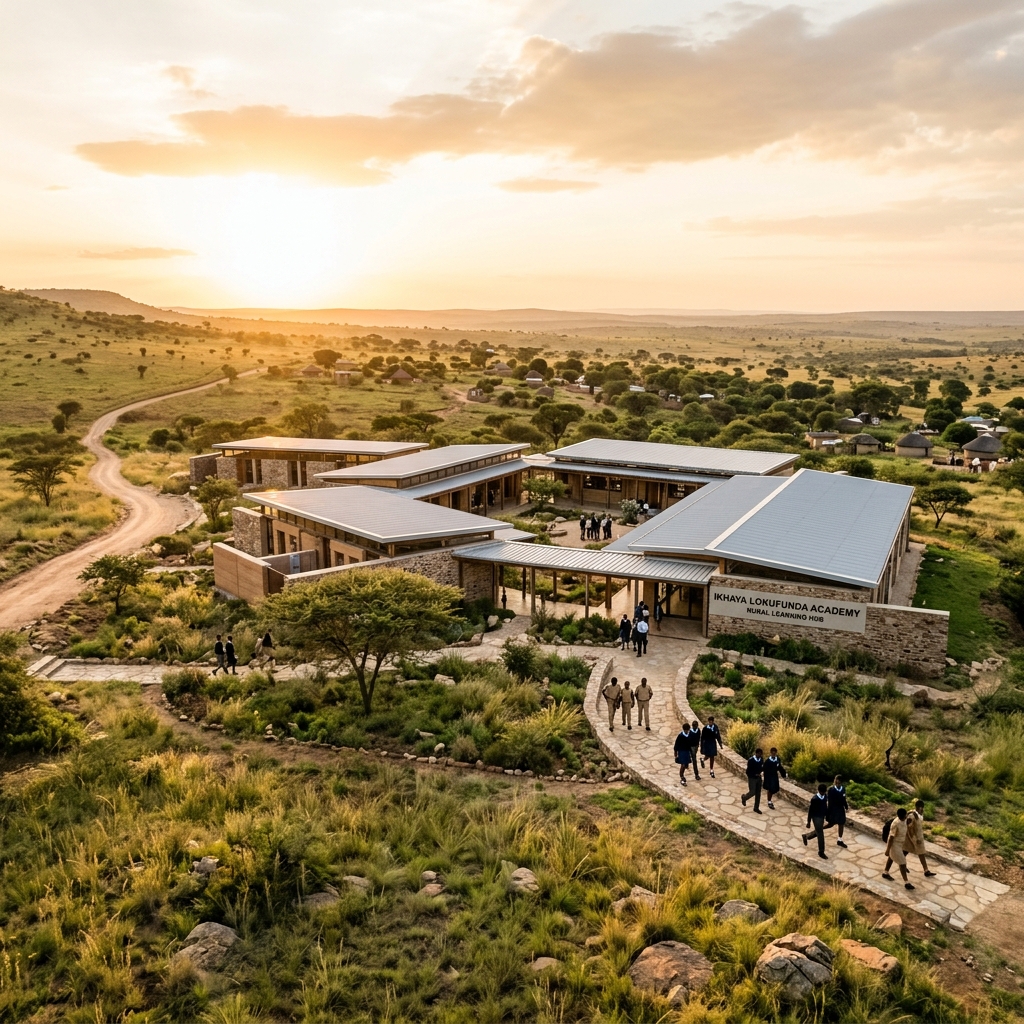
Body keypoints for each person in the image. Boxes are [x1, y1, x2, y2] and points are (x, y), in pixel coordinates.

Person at [883, 807, 915, 889]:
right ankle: (906, 882)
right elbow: (891, 838)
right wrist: (887, 850)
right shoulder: (895, 824)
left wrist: (912, 811)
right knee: (902, 862)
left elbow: (908, 813)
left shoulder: (904, 817)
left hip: (901, 843)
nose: (903, 818)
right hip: (895, 844)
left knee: (891, 857)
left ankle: (885, 872)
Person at [904, 800, 937, 876]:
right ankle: (902, 865)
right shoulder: (912, 815)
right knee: (905, 852)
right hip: (914, 838)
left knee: (920, 853)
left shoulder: (918, 814)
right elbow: (908, 826)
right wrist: (913, 837)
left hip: (918, 838)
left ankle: (926, 870)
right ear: (920, 807)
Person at [803, 783, 829, 859]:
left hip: (822, 817)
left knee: (819, 831)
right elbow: (810, 811)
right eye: (822, 792)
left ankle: (806, 836)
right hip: (816, 817)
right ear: (819, 791)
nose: (823, 793)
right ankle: (821, 852)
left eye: (824, 792)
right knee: (820, 834)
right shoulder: (814, 799)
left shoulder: (825, 796)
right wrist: (808, 821)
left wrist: (826, 815)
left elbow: (825, 806)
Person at [825, 776, 849, 848]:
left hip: (840, 809)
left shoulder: (843, 789)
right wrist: (828, 813)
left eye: (839, 782)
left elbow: (844, 799)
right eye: (836, 781)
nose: (837, 783)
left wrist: (846, 806)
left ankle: (840, 840)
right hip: (833, 810)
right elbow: (829, 802)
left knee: (841, 823)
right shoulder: (831, 790)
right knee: (830, 824)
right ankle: (818, 830)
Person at [741, 748, 765, 813]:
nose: (760, 755)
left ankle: (756, 808)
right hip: (752, 778)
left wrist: (761, 772)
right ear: (756, 753)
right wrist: (755, 774)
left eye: (761, 754)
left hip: (758, 779)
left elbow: (762, 768)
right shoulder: (751, 760)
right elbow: (748, 771)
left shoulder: (761, 760)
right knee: (752, 792)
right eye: (759, 754)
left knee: (758, 794)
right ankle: (744, 797)